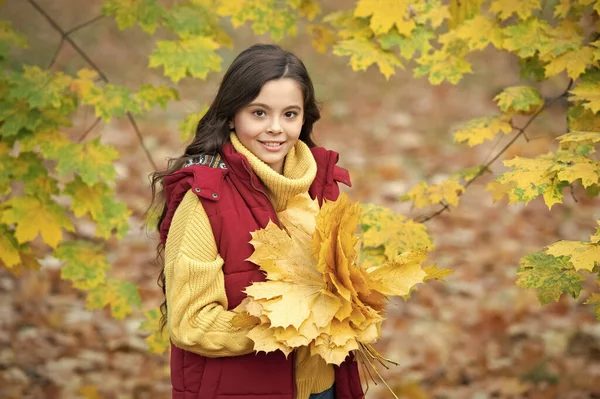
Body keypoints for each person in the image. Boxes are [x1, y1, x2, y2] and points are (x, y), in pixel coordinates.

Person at [149, 44, 364, 399]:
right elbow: (191, 323)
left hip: (323, 387)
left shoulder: (322, 187)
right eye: (260, 113)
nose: (276, 129)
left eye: (290, 114)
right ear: (233, 114)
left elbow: (342, 287)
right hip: (243, 389)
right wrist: (288, 324)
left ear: (304, 118)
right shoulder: (205, 201)